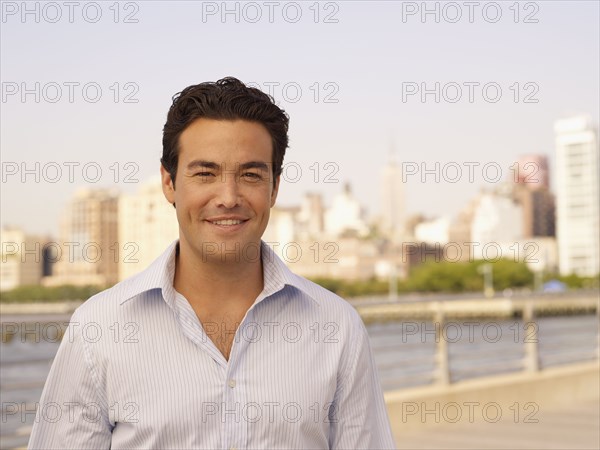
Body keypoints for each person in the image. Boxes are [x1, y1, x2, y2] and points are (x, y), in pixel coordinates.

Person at [28, 77, 397, 449]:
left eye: (250, 174)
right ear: (169, 182)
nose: (228, 197)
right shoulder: (99, 328)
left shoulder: (338, 328)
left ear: (274, 188)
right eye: (205, 173)